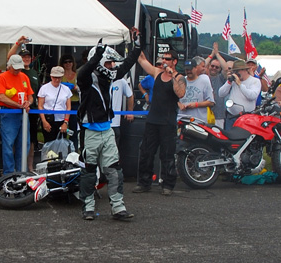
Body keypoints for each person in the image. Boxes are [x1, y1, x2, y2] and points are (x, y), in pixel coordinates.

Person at [76, 36, 141, 221]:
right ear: (99, 62)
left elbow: (126, 65)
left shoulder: (110, 77)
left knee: (115, 170)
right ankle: (88, 207)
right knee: (89, 171)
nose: (113, 66)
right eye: (110, 62)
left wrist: (136, 48)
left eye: (113, 63)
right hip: (89, 132)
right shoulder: (86, 79)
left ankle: (118, 208)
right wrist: (96, 55)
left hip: (108, 131)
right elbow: (84, 71)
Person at [133, 47, 186, 196]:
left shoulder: (180, 78)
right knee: (146, 152)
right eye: (163, 58)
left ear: (174, 61)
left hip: (168, 122)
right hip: (153, 120)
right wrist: (137, 43)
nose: (164, 61)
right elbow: (142, 60)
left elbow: (180, 93)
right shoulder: (157, 73)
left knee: (167, 155)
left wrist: (172, 75)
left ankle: (168, 184)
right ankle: (144, 182)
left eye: (167, 59)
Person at [0, 53, 34, 175]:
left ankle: (22, 170)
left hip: (23, 113)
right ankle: (8, 172)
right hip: (9, 112)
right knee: (8, 143)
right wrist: (17, 105)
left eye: (19, 68)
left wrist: (28, 103)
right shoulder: (2, 77)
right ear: (9, 66)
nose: (18, 70)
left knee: (24, 144)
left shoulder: (24, 77)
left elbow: (30, 96)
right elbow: (0, 96)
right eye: (15, 68)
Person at [218, 59, 262, 135]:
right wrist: (229, 82)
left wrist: (240, 84)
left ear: (245, 70)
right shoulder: (233, 81)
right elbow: (221, 94)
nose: (236, 74)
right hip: (231, 116)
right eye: (234, 72)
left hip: (247, 118)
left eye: (237, 71)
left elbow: (252, 96)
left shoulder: (255, 81)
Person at [37, 67, 72, 151]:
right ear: (51, 76)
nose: (56, 80)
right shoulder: (44, 88)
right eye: (54, 77)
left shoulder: (66, 89)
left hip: (61, 120)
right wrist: (44, 121)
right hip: (48, 119)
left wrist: (65, 122)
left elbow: (68, 107)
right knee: (48, 145)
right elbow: (40, 106)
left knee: (61, 145)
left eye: (59, 77)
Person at [178, 57, 214, 122]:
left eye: (190, 69)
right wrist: (179, 104)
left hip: (198, 121)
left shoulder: (204, 81)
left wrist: (196, 105)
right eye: (186, 70)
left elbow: (211, 102)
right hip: (182, 119)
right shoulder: (181, 81)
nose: (188, 71)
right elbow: (174, 99)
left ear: (195, 68)